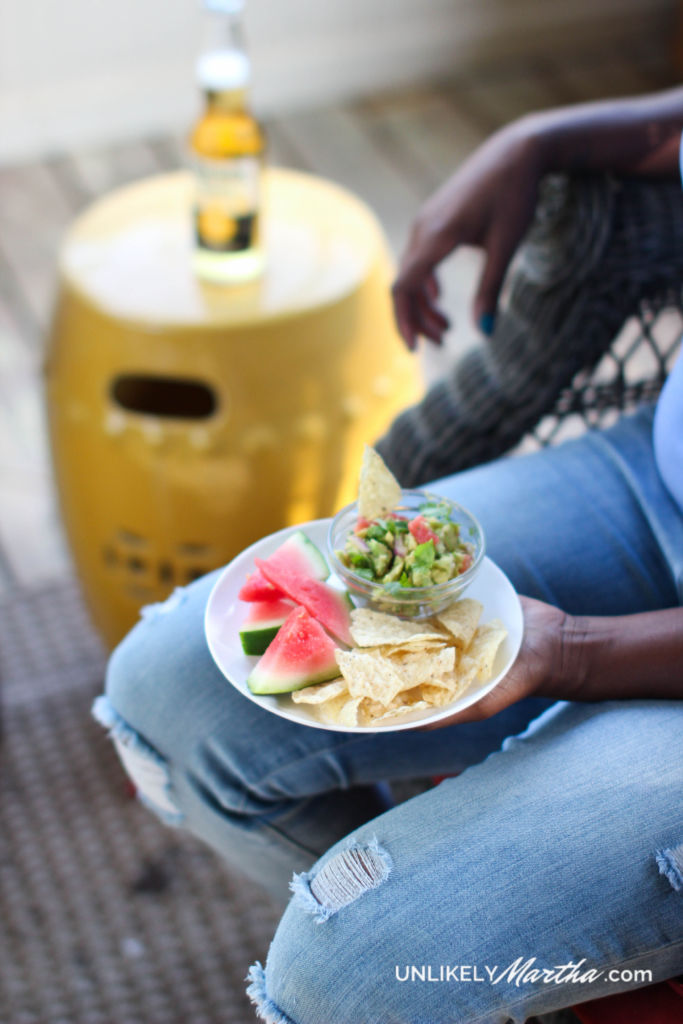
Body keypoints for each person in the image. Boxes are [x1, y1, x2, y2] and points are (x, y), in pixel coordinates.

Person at [93, 87, 683, 1024]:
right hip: (650, 481)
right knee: (169, 697)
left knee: (345, 975)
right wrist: (536, 135)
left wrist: (574, 651)